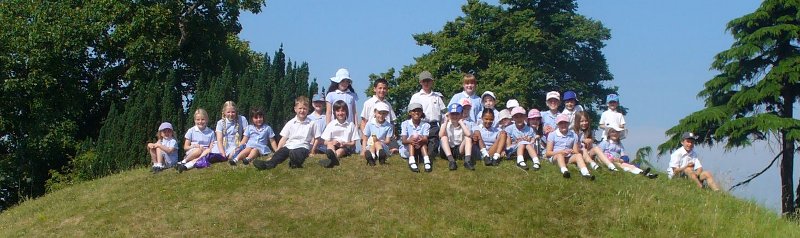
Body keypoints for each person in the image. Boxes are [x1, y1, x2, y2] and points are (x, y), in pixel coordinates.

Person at [253, 96, 322, 170]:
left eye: (305, 109)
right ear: (295, 109)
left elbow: (317, 138)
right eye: (300, 108)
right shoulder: (291, 123)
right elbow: (283, 138)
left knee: (299, 153)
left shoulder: (312, 123)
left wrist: (312, 151)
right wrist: (276, 152)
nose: (302, 111)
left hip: (303, 146)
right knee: (281, 153)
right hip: (289, 145)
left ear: (308, 110)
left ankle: (294, 162)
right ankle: (267, 164)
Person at [408, 71, 445, 160]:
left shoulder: (437, 97)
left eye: (428, 81)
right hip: (421, 125)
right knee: (419, 147)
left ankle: (429, 157)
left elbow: (443, 113)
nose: (426, 83)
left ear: (432, 82)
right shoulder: (416, 97)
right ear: (420, 82)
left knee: (432, 151)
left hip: (433, 125)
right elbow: (411, 113)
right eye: (424, 81)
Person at [545, 114, 594, 180]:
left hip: (568, 156)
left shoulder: (573, 135)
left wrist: (571, 151)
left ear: (568, 124)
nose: (563, 125)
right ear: (557, 125)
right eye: (561, 123)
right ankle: (565, 171)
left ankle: (586, 173)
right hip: (556, 156)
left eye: (565, 123)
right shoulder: (552, 135)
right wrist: (561, 152)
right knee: (560, 155)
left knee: (578, 155)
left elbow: (575, 151)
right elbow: (548, 153)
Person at [360, 78, 397, 157]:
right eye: (380, 88)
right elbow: (363, 122)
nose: (382, 90)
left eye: (384, 88)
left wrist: (392, 135)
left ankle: (381, 153)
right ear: (374, 89)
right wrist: (364, 137)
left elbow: (392, 122)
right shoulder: (368, 103)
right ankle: (372, 155)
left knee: (395, 148)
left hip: (384, 137)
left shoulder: (388, 104)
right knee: (372, 145)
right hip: (371, 135)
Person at [319, 100, 360, 168]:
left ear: (346, 112)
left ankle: (332, 159)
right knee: (330, 144)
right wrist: (332, 142)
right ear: (334, 112)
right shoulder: (331, 124)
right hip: (334, 145)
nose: (340, 113)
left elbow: (353, 143)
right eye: (338, 111)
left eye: (342, 111)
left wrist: (344, 144)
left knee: (341, 150)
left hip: (345, 147)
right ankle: (332, 156)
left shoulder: (351, 125)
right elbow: (325, 141)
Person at [177, 109, 215, 173]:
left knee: (207, 151)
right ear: (195, 120)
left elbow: (211, 147)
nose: (200, 122)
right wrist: (194, 146)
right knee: (198, 150)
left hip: (204, 152)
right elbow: (185, 147)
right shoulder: (191, 131)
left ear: (206, 120)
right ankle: (185, 161)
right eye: (198, 120)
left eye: (203, 119)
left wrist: (205, 150)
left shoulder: (211, 132)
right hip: (193, 151)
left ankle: (186, 166)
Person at [439, 103, 475, 171]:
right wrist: (446, 121)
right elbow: (440, 135)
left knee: (468, 138)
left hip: (458, 149)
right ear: (449, 114)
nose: (454, 116)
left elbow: (469, 134)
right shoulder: (445, 124)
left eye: (457, 114)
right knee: (444, 137)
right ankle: (451, 161)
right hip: (447, 150)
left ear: (461, 115)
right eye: (452, 114)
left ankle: (467, 161)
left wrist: (461, 122)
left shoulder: (464, 124)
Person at [398, 103, 432, 173]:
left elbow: (426, 140)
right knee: (412, 139)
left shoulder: (425, 125)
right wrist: (410, 140)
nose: (416, 112)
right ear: (410, 113)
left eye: (419, 111)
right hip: (407, 148)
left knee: (422, 142)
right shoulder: (405, 124)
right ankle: (411, 160)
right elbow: (404, 141)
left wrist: (421, 139)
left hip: (420, 148)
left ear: (422, 113)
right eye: (414, 111)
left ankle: (426, 161)